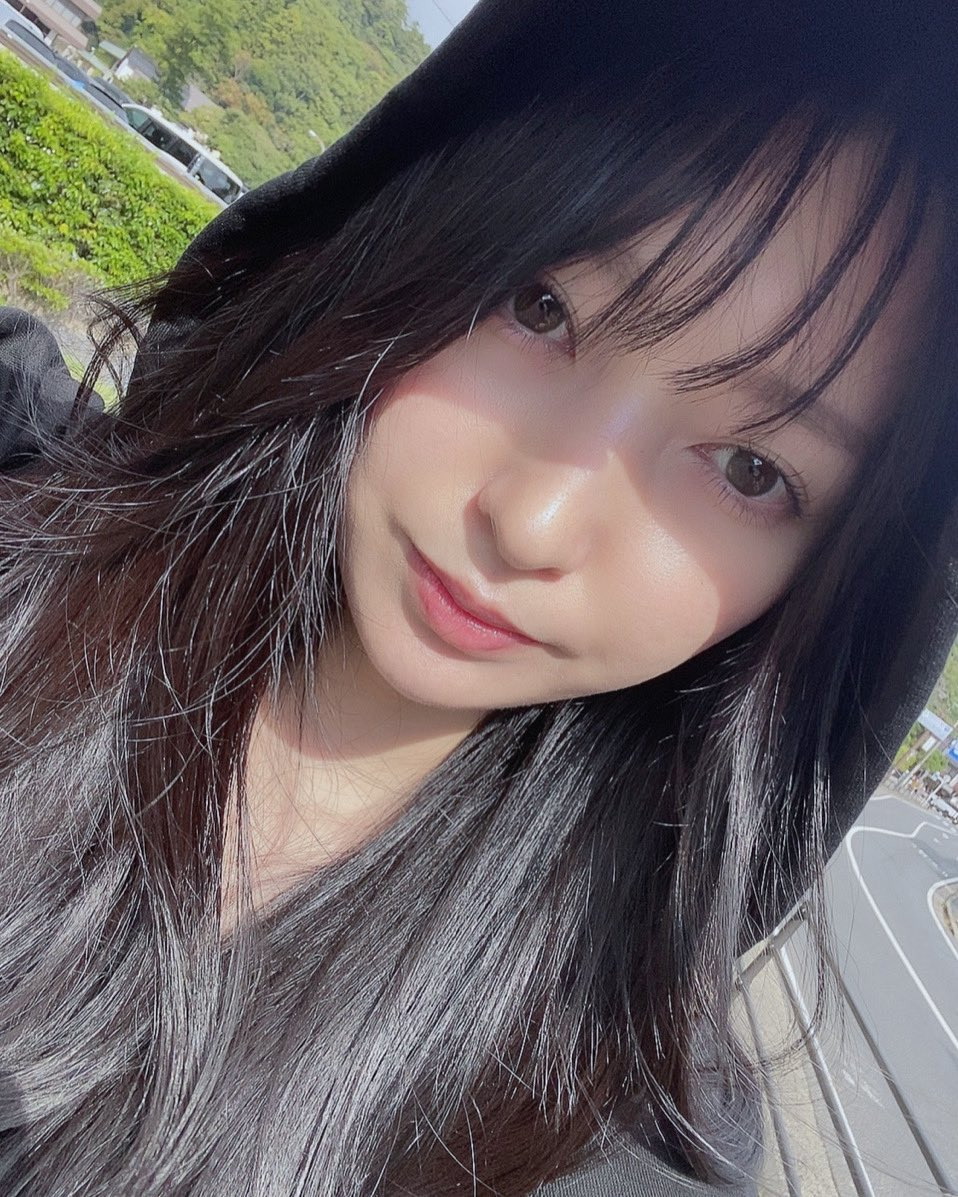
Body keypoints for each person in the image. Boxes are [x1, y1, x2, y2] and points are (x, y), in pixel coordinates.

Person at [0, 0, 956, 1193]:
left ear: (828, 593)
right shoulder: (25, 495)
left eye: (752, 471)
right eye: (540, 309)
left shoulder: (590, 1137)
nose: (533, 520)